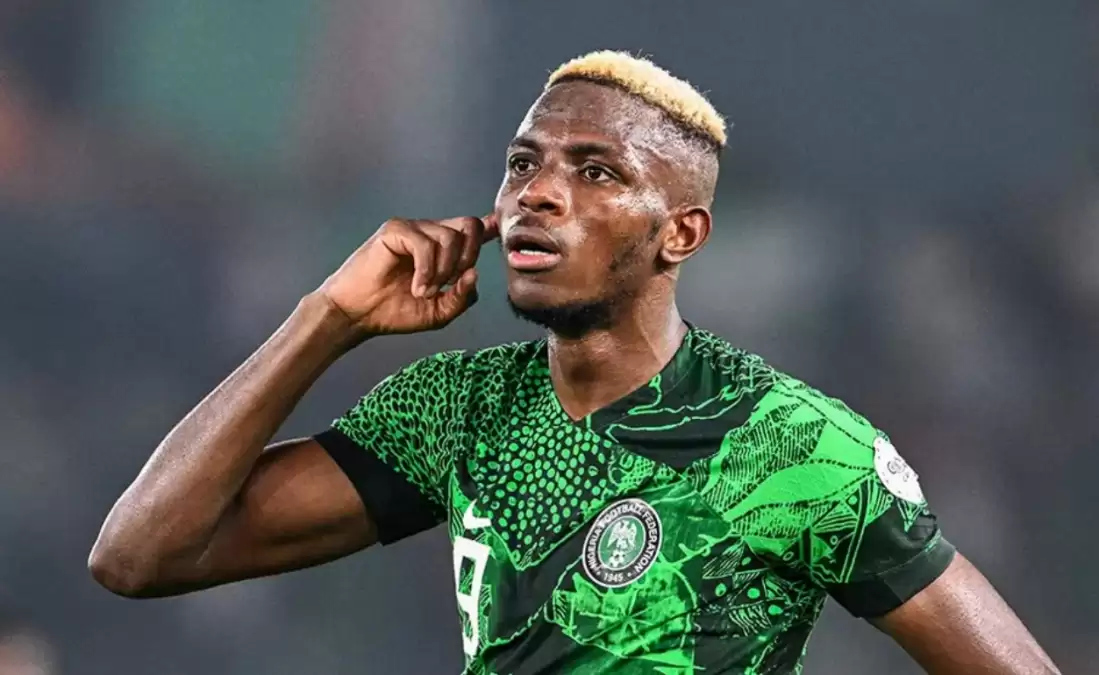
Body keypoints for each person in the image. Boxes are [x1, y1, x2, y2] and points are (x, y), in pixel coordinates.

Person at [88, 51, 1059, 674]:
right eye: (522, 164)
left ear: (680, 232)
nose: (537, 195)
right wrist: (324, 320)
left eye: (595, 171)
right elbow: (139, 556)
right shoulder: (459, 404)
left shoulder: (795, 446)